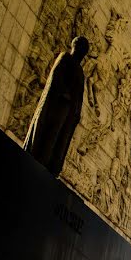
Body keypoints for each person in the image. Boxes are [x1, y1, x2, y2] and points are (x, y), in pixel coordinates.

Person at [23, 36, 90, 176]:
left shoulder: (80, 72)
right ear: (75, 47)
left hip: (67, 113)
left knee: (57, 138)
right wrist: (64, 93)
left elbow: (79, 96)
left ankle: (48, 164)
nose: (83, 52)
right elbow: (55, 77)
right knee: (47, 133)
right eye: (81, 48)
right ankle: (39, 158)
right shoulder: (65, 58)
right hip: (55, 106)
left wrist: (77, 112)